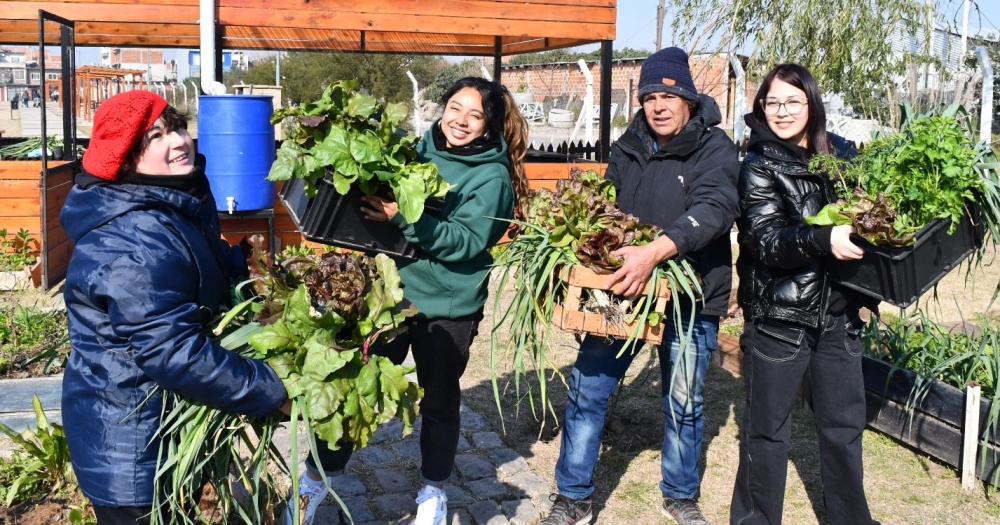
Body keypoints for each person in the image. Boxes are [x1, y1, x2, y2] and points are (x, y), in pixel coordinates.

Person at [285, 77, 530, 525]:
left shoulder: (492, 177)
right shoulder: (418, 151)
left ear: (489, 125)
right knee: (351, 388)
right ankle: (316, 481)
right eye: (455, 108)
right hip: (388, 297)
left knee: (439, 400)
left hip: (448, 306)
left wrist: (407, 218)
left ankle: (433, 491)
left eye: (475, 115)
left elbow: (467, 242)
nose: (461, 121)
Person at [60, 90, 290, 525]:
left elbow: (198, 266)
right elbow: (172, 351)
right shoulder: (131, 238)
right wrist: (273, 391)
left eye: (179, 127)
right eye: (157, 136)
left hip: (160, 430)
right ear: (127, 159)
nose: (179, 141)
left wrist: (250, 267)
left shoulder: (170, 203)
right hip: (130, 447)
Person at [540, 47, 740, 525]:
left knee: (684, 399)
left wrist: (656, 251)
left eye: (669, 96)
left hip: (690, 294)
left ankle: (680, 495)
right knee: (589, 387)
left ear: (689, 100)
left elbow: (716, 207)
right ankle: (573, 497)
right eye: (650, 96)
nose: (659, 106)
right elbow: (604, 210)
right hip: (623, 291)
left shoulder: (715, 147)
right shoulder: (627, 145)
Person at [730, 64, 879, 525]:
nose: (782, 111)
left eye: (793, 101)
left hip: (839, 317)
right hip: (781, 318)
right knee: (767, 433)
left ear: (812, 105)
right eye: (773, 102)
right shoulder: (757, 166)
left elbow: (873, 225)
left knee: (842, 428)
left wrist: (869, 298)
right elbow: (768, 242)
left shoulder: (842, 158)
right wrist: (822, 240)